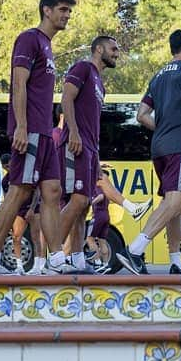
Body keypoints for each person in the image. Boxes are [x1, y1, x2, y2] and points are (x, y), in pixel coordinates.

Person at [0, 0, 75, 275]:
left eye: (69, 11)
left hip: (45, 134)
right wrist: (21, 125)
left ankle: (56, 259)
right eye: (62, 9)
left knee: (53, 191)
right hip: (30, 130)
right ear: (46, 10)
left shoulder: (47, 45)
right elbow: (19, 84)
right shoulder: (29, 39)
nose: (66, 15)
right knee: (19, 191)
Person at [117, 30, 181, 276]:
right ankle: (134, 251)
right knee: (176, 201)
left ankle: (176, 261)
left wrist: (164, 128)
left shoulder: (157, 77)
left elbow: (141, 114)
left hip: (159, 147)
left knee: (174, 206)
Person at [47, 36, 120, 274]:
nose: (117, 53)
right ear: (98, 49)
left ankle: (78, 259)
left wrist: (97, 158)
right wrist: (74, 133)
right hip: (75, 144)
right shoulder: (83, 68)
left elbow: (94, 124)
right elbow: (66, 97)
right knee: (77, 200)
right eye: (113, 49)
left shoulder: (101, 84)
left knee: (84, 203)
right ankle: (55, 257)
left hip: (90, 149)